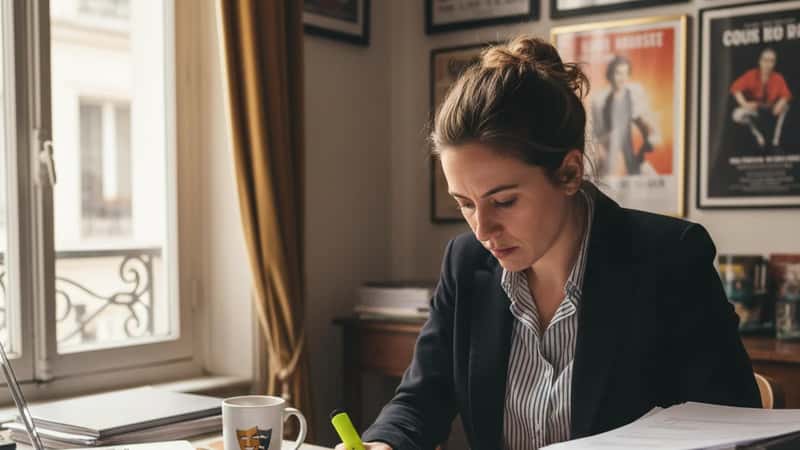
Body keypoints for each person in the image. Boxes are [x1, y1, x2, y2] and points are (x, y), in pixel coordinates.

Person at [336, 36, 760, 450]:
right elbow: (421, 397)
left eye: (503, 201)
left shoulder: (668, 258)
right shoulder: (465, 263)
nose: (482, 230)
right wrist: (384, 443)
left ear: (569, 173)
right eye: (465, 204)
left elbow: (730, 419)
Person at [590, 55, 659, 176]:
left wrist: (647, 138)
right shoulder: (600, 101)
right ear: (610, 75)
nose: (622, 78)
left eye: (625, 73)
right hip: (611, 155)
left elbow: (646, 125)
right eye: (618, 73)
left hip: (634, 150)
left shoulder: (636, 95)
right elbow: (597, 135)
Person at [730, 48, 792, 150]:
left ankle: (776, 141)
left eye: (771, 61)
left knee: (786, 107)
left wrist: (781, 103)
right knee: (736, 115)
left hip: (771, 109)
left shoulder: (778, 78)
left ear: (774, 63)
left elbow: (786, 95)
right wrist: (745, 104)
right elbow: (735, 88)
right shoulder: (751, 74)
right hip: (755, 109)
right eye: (765, 60)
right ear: (760, 61)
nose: (768, 64)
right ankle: (757, 135)